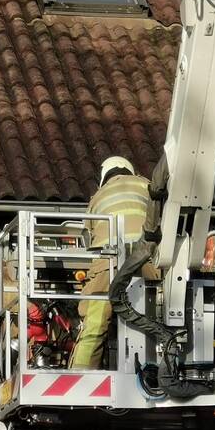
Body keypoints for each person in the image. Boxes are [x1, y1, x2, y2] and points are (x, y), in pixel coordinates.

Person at [69, 156, 150, 370]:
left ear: (104, 176)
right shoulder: (147, 185)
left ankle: (81, 375)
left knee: (94, 321)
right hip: (148, 261)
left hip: (109, 263)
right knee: (157, 312)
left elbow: (88, 239)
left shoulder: (98, 197)